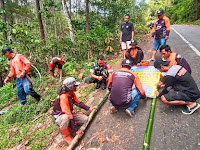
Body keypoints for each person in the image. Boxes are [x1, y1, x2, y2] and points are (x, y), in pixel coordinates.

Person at [51, 77, 96, 144]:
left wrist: (89, 108)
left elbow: (78, 102)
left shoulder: (71, 93)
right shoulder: (63, 97)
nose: (76, 87)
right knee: (65, 117)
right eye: (75, 86)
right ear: (70, 87)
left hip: (68, 114)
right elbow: (67, 113)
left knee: (85, 119)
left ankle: (70, 125)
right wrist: (76, 130)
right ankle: (66, 136)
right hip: (60, 117)